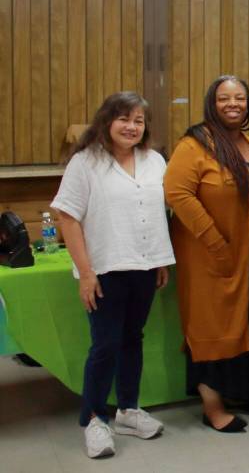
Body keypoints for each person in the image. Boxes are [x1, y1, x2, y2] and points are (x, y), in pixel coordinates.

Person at [52, 92, 175, 458]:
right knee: (104, 345)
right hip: (104, 268)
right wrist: (86, 273)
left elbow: (157, 213)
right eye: (124, 119)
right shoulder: (86, 162)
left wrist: (160, 261)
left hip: (145, 266)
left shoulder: (154, 161)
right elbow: (67, 217)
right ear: (106, 121)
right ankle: (93, 419)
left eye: (138, 121)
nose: (131, 127)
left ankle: (128, 410)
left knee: (132, 339)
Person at [164, 76, 249, 432]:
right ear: (212, 102)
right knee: (212, 327)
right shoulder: (195, 143)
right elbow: (177, 193)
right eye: (225, 98)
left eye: (240, 98)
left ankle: (243, 391)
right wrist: (214, 241)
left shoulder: (248, 141)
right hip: (212, 255)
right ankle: (212, 406)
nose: (233, 104)